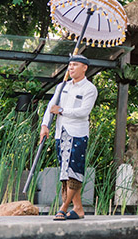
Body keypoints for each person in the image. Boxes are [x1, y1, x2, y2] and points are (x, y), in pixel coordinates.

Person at [41, 55, 98, 221]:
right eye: (70, 65)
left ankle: (64, 207)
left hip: (77, 133)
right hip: (61, 133)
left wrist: (62, 111)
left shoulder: (89, 88)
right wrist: (45, 125)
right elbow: (51, 107)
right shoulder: (62, 86)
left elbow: (84, 112)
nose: (71, 68)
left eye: (75, 65)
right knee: (65, 173)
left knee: (74, 171)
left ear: (84, 67)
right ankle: (78, 209)